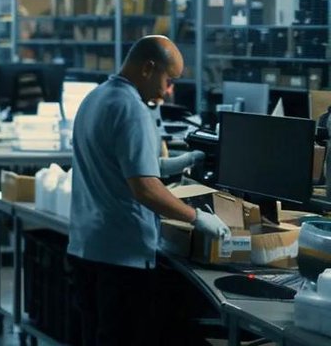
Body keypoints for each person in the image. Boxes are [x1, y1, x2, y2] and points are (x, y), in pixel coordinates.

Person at [69, 35, 227, 344]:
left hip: (86, 247)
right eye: (169, 81)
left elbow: (123, 165)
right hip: (121, 257)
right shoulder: (132, 109)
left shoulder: (96, 97)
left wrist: (180, 162)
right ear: (148, 68)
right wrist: (197, 217)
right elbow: (145, 188)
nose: (169, 92)